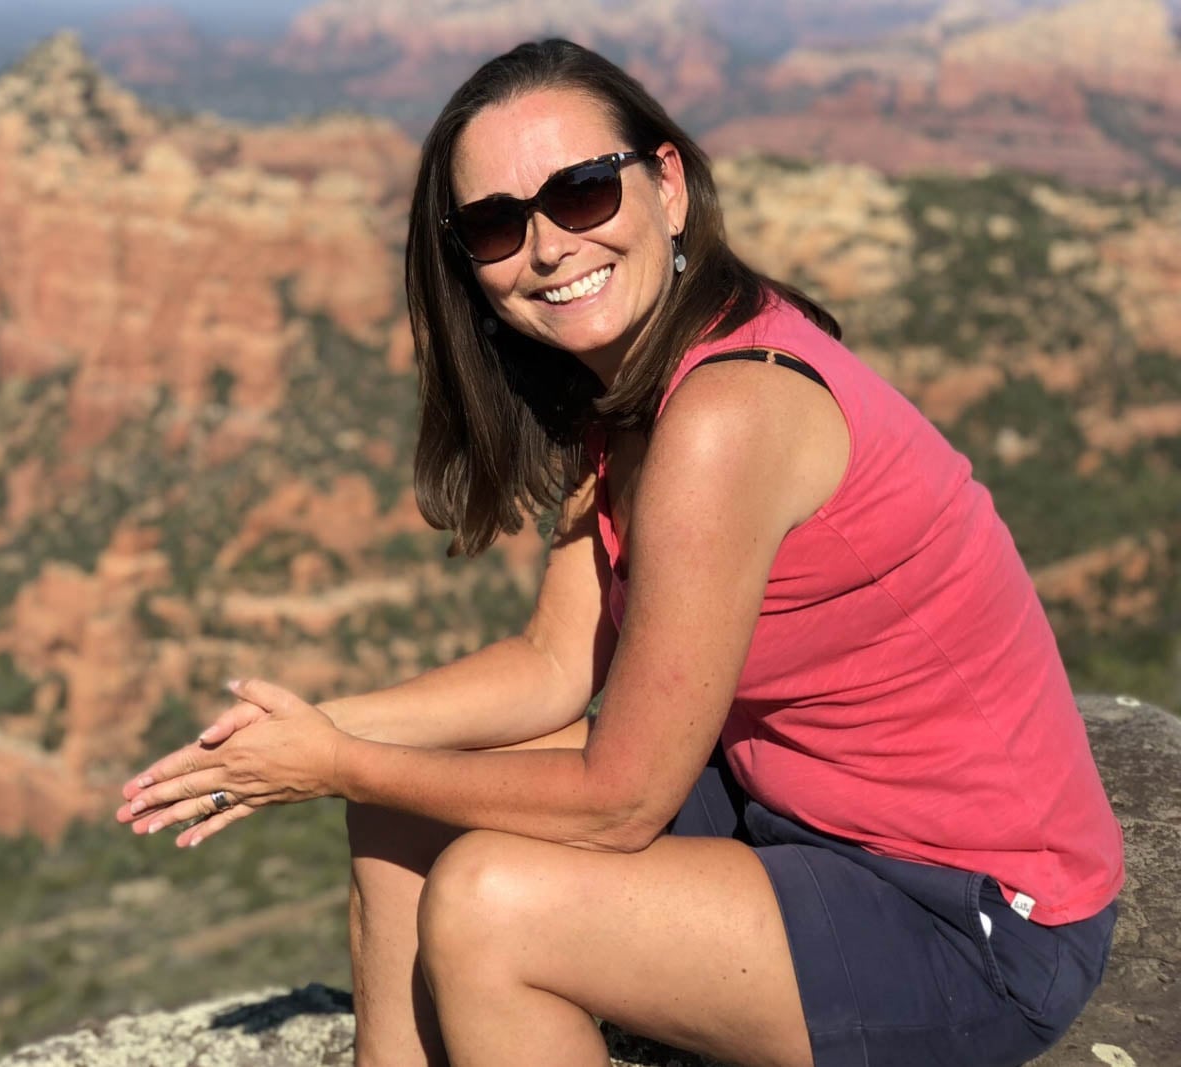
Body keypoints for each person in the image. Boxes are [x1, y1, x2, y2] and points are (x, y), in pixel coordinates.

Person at [117, 38, 1123, 1067]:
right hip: (801, 823)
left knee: (490, 905)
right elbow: (554, 664)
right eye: (498, 223)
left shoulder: (729, 410)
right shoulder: (633, 393)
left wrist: (332, 762)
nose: (547, 247)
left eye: (584, 191)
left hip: (974, 913)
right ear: (466, 256)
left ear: (668, 185)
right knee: (402, 807)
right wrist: (306, 739)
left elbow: (623, 799)